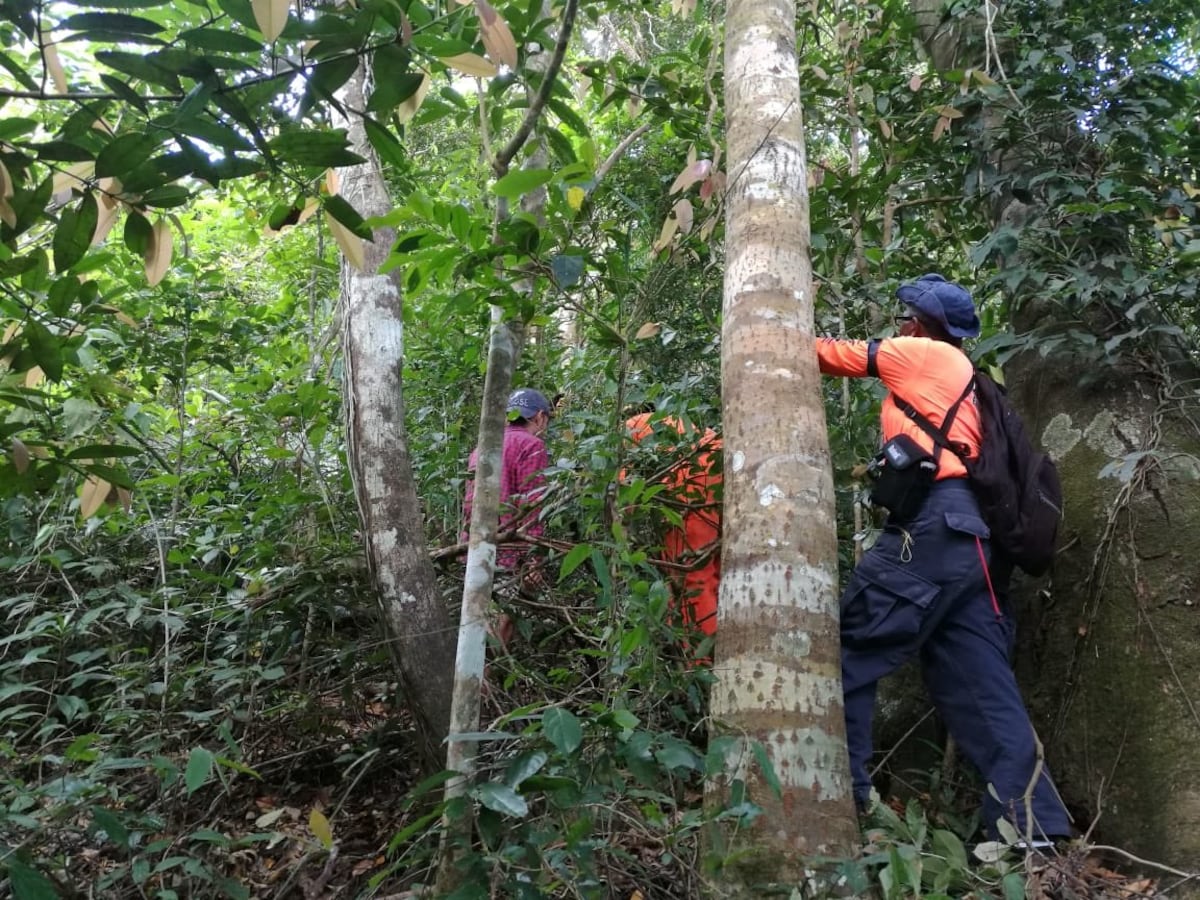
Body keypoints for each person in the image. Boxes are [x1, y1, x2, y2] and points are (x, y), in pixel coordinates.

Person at [816, 273, 1072, 844]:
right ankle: (1038, 830)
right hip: (974, 549)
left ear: (919, 322)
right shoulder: (972, 381)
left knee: (849, 648)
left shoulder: (923, 355)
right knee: (983, 688)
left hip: (931, 528)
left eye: (905, 317)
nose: (900, 325)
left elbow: (819, 354)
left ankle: (848, 798)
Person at [463, 388, 554, 647]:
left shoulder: (482, 446)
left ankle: (482, 682)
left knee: (478, 625)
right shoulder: (532, 445)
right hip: (509, 551)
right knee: (500, 628)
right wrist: (533, 559)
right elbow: (533, 504)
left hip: (475, 547)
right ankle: (486, 684)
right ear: (540, 417)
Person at [625, 411, 722, 644]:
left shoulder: (630, 428)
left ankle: (702, 665)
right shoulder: (674, 420)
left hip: (693, 472)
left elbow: (624, 495)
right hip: (721, 460)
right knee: (717, 570)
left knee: (690, 577)